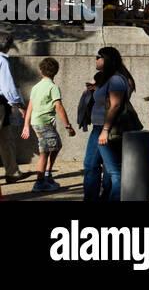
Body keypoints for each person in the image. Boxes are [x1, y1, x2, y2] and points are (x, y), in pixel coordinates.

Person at [84, 47, 135, 201]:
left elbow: (116, 105)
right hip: (98, 128)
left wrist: (105, 130)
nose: (96, 60)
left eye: (98, 57)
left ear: (106, 59)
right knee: (90, 165)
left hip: (108, 129)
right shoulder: (108, 79)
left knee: (114, 170)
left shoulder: (116, 79)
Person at [21, 57, 76, 192]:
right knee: (45, 152)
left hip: (37, 123)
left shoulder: (36, 87)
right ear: (55, 72)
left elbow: (30, 107)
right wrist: (68, 125)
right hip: (45, 123)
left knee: (53, 147)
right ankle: (40, 182)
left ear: (41, 71)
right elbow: (59, 106)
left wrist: (26, 125)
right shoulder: (53, 87)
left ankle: (46, 175)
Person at [0, 33, 27, 185]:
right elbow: (7, 87)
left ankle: (12, 172)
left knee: (6, 138)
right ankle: (12, 172)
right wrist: (18, 104)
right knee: (6, 138)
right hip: (1, 102)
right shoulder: (2, 60)